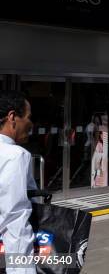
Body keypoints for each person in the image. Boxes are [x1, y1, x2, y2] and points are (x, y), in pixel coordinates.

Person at [0, 91, 36, 274]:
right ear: (12, 117)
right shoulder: (16, 155)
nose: (31, 124)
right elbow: (15, 222)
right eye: (28, 117)